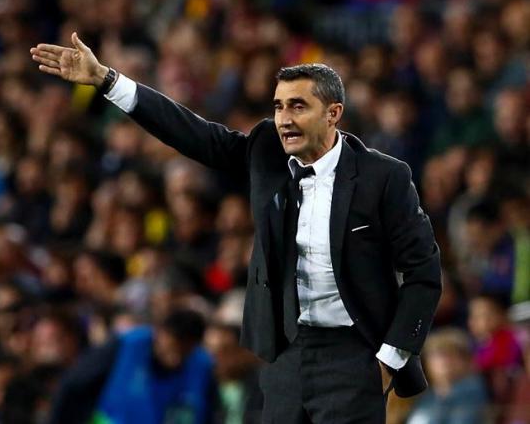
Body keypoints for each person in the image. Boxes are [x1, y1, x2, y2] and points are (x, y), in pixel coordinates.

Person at [30, 32, 442, 423]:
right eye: (278, 106)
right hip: (286, 351)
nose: (283, 118)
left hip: (356, 352)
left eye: (298, 106)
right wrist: (107, 80)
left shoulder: (383, 177)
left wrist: (391, 357)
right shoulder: (268, 151)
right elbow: (191, 133)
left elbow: (422, 271)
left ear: (333, 113)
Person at [47, 308, 215, 424]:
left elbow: (209, 412)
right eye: (172, 347)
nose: (176, 358)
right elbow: (72, 386)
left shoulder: (202, 366)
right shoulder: (124, 346)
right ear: (159, 333)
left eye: (185, 351)